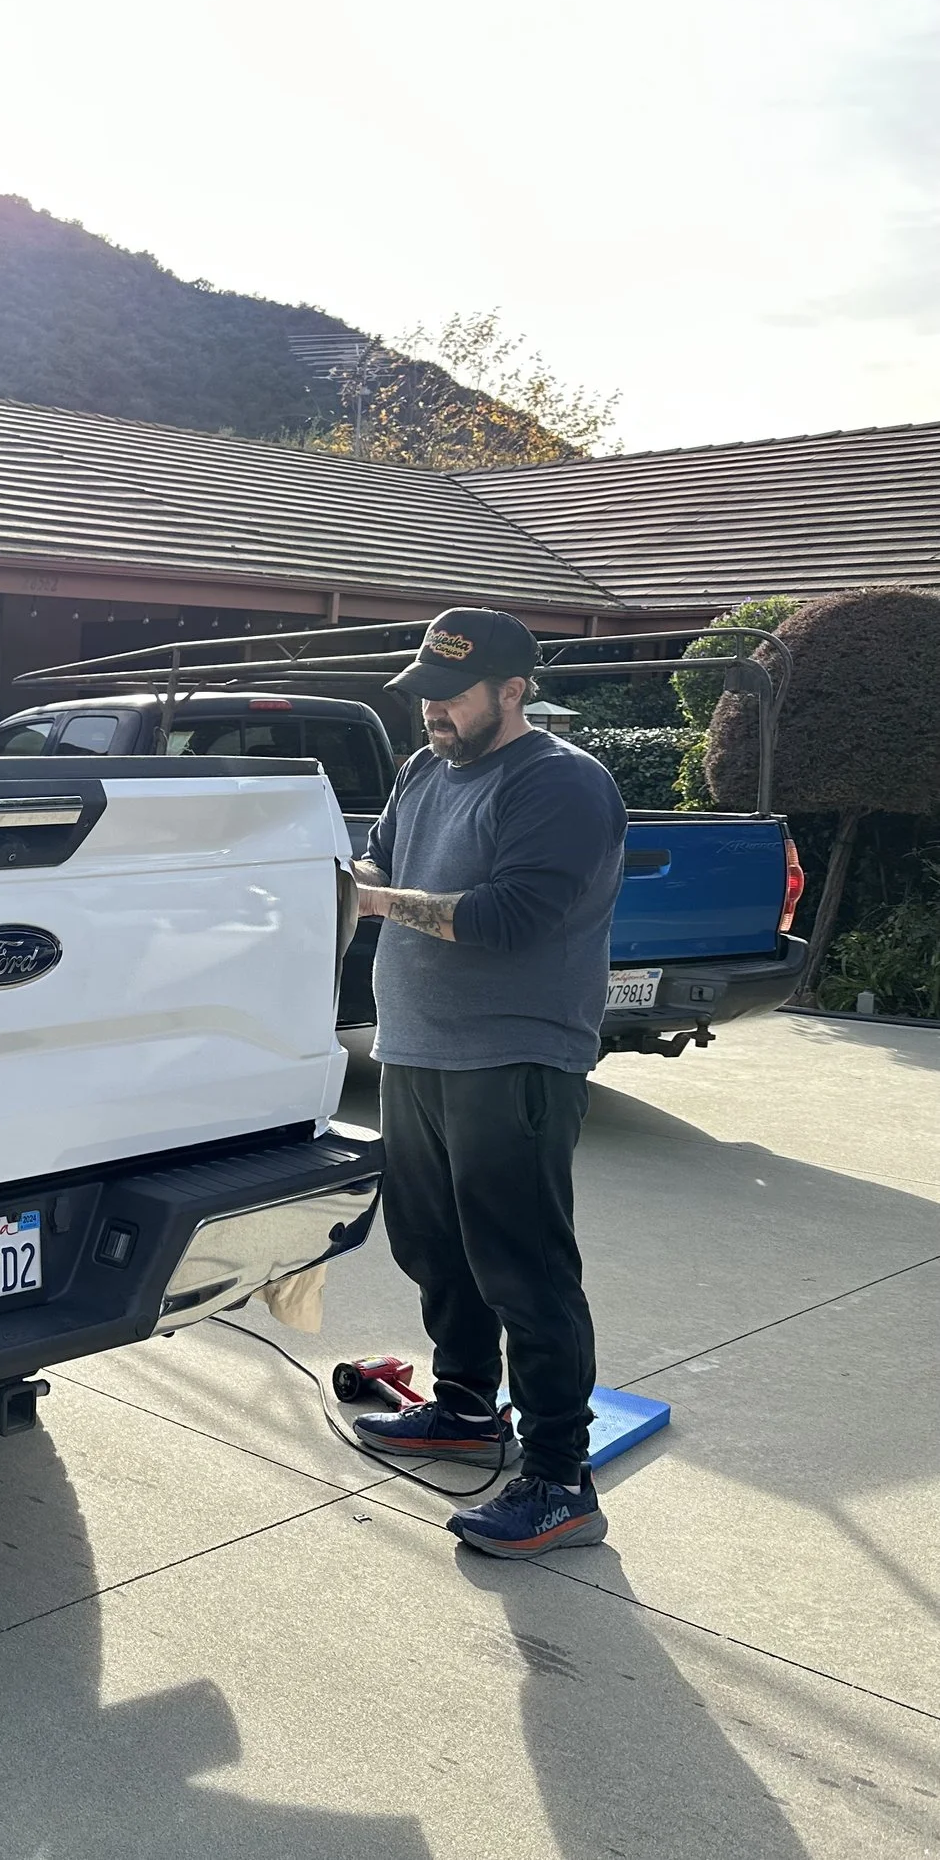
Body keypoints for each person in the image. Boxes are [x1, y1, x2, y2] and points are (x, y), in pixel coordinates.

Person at [350, 606, 627, 1557]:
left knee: (525, 1264)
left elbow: (511, 917)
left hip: (515, 1058)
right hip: (416, 1048)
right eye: (422, 690)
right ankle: (466, 1407)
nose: (430, 710)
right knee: (434, 1243)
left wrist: (373, 900)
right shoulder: (426, 769)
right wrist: (349, 876)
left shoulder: (562, 784)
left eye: (450, 694)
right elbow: (380, 855)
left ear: (515, 691)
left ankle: (560, 1480)